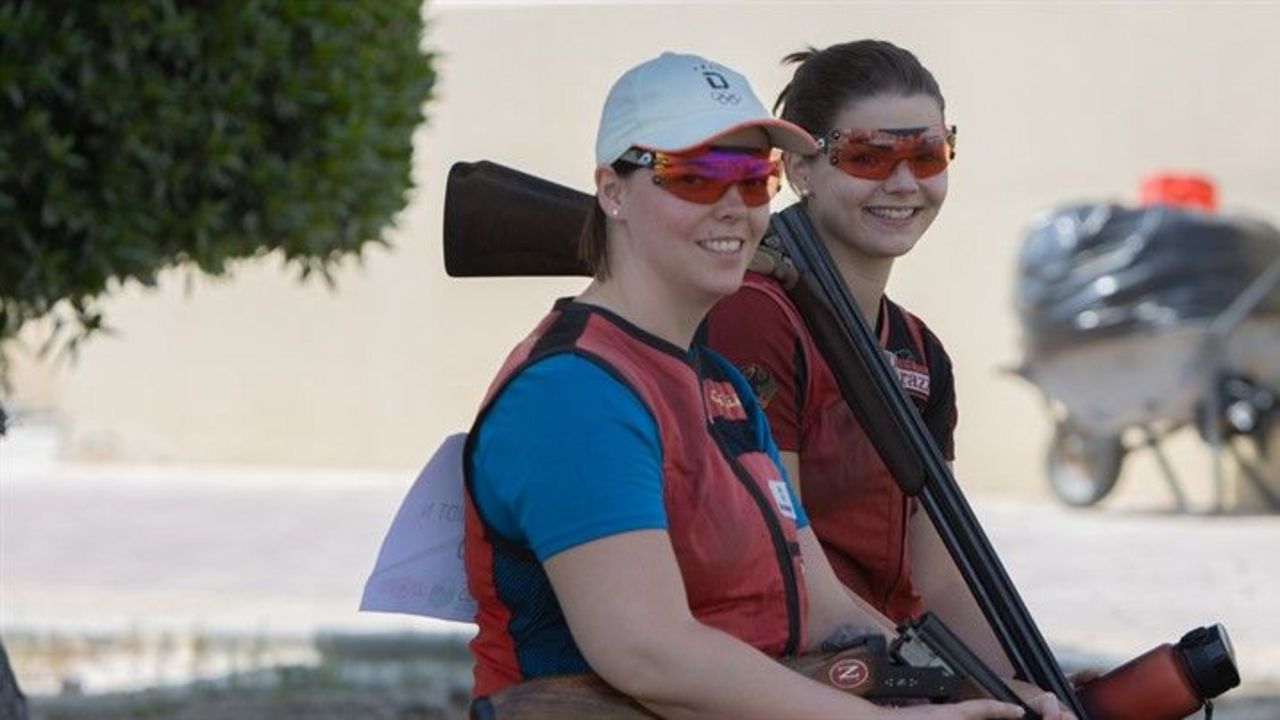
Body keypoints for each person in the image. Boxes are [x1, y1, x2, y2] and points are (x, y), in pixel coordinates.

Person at [462, 50, 1061, 719]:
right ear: (611, 190)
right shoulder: (573, 391)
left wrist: (979, 692)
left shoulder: (714, 380)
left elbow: (820, 603)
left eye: (754, 180)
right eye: (695, 176)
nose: (735, 208)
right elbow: (649, 652)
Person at [706, 36, 1032, 684]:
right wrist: (944, 682)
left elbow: (937, 571)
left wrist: (1030, 691)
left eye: (927, 152)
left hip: (882, 661)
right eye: (868, 156)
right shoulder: (754, 312)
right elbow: (780, 561)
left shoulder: (919, 350)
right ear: (800, 169)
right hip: (798, 670)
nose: (905, 181)